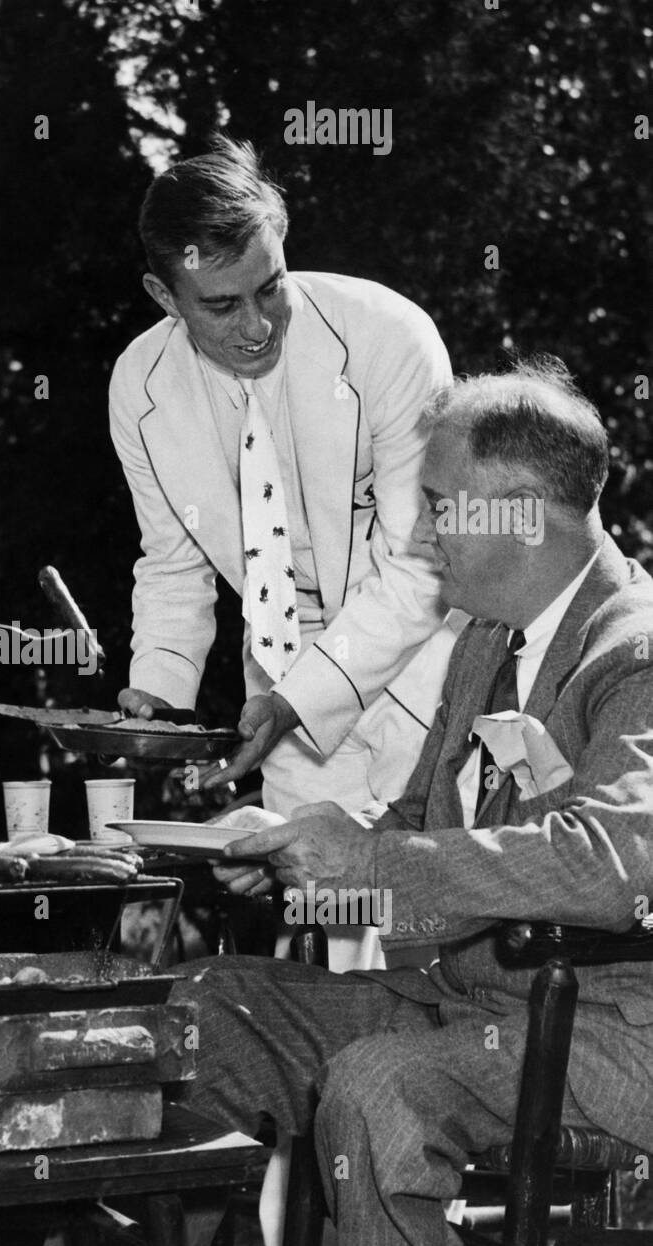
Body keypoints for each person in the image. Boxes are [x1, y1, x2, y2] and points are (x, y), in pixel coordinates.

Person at [174, 360, 653, 1246]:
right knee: (197, 1016)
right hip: (463, 1003)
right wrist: (299, 853)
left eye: (439, 505)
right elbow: (419, 827)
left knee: (376, 1092)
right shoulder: (486, 635)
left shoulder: (635, 652)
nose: (422, 534)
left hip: (611, 1034)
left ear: (517, 512)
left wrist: (375, 858)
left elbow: (614, 864)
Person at [110, 138, 460, 902]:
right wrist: (160, 703)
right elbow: (172, 565)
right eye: (222, 305)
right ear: (164, 296)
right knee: (332, 943)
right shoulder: (137, 387)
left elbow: (425, 563)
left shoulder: (391, 337)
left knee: (432, 934)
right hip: (282, 700)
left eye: (270, 288)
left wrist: (300, 698)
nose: (258, 325)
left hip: (429, 683)